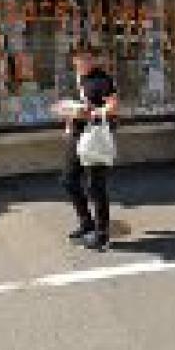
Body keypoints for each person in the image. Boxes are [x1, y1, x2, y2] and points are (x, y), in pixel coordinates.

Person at [58, 46, 119, 251]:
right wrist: (66, 113)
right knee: (68, 179)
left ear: (93, 60)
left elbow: (113, 106)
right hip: (76, 135)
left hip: (95, 136)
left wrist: (93, 112)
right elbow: (72, 105)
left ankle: (102, 235)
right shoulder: (76, 79)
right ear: (74, 61)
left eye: (87, 59)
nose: (83, 63)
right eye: (79, 59)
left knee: (95, 186)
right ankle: (86, 222)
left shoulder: (102, 79)